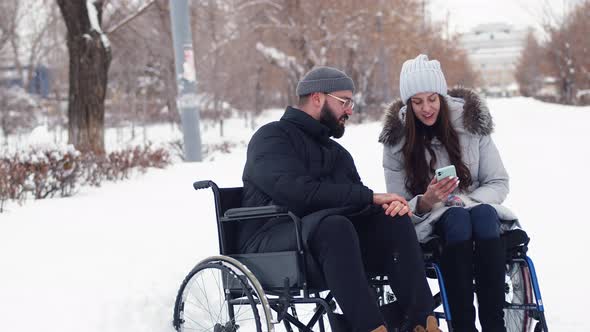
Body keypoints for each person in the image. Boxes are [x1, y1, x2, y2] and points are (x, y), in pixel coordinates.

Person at [240, 66, 439, 332]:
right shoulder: (271, 138)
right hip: (272, 240)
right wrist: (369, 197)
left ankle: (422, 324)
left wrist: (381, 207)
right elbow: (296, 193)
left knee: (392, 219)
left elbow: (354, 204)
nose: (350, 110)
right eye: (344, 102)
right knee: (335, 226)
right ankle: (371, 328)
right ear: (317, 98)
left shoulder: (336, 153)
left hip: (331, 246)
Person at [380, 54, 518, 332]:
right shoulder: (396, 143)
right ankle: (463, 325)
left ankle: (494, 325)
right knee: (457, 219)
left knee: (479, 215)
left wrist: (465, 200)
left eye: (432, 99)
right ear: (408, 104)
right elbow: (399, 204)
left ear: (442, 96)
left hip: (480, 212)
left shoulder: (471, 126)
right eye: (417, 102)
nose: (426, 108)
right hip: (431, 223)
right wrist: (427, 201)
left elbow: (498, 182)